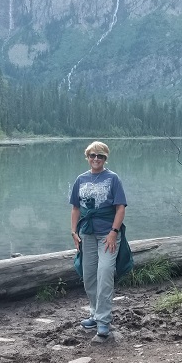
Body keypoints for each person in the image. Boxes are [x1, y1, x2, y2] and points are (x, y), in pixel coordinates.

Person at [70, 140, 127, 338]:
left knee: (104, 273)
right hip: (87, 233)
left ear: (105, 158)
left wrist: (113, 232)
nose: (96, 159)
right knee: (89, 276)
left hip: (107, 235)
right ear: (87, 157)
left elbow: (120, 208)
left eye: (100, 156)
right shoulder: (81, 179)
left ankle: (103, 320)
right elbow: (76, 208)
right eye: (92, 155)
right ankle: (94, 314)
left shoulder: (113, 179)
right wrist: (73, 232)